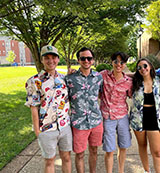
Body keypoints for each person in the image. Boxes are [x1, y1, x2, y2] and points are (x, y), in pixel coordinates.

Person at [25, 45, 72, 173]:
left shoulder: (64, 79)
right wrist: (37, 131)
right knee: (49, 161)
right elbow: (33, 107)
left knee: (66, 158)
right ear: (42, 60)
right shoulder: (34, 81)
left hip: (64, 126)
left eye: (54, 57)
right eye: (47, 58)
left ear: (58, 59)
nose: (51, 61)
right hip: (46, 128)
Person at [65, 47, 103, 173]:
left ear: (93, 60)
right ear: (78, 60)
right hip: (78, 122)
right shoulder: (70, 78)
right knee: (79, 154)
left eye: (89, 58)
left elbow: (100, 94)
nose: (86, 61)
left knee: (94, 151)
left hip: (96, 121)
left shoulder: (98, 77)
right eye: (83, 58)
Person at [129, 58, 160, 173]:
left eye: (145, 66)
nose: (142, 69)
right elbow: (121, 75)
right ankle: (146, 170)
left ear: (150, 66)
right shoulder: (134, 82)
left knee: (157, 152)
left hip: (153, 118)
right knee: (142, 145)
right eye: (139, 67)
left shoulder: (158, 80)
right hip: (138, 119)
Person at [100, 52, 132, 173]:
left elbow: (131, 95)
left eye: (122, 62)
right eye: (116, 62)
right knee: (109, 149)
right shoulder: (103, 75)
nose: (119, 64)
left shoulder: (128, 81)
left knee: (123, 147)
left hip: (123, 117)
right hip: (108, 117)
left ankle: (121, 171)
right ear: (112, 62)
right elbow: (89, 77)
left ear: (124, 64)